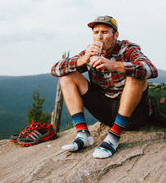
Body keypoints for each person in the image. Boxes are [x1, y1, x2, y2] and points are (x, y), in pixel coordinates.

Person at [51, 15, 158, 158]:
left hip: (133, 115)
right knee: (66, 77)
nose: (99, 37)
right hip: (105, 112)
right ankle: (83, 135)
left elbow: (151, 70)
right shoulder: (90, 52)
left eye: (104, 32)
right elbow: (55, 70)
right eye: (96, 33)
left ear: (116, 35)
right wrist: (83, 60)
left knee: (136, 76)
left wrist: (115, 65)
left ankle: (114, 136)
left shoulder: (127, 48)